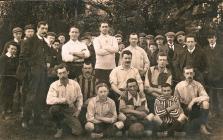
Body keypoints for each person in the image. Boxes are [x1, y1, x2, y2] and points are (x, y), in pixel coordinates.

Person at [19, 21, 49, 128]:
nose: (44, 31)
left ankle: (37, 119)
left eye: (46, 29)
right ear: (37, 28)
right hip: (32, 74)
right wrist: (33, 68)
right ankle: (25, 120)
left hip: (43, 73)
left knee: (40, 96)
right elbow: (23, 57)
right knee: (30, 97)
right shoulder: (29, 41)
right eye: (42, 28)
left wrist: (46, 64)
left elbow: (46, 56)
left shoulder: (45, 42)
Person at [46, 63, 83, 138]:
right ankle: (59, 127)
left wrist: (78, 110)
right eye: (60, 73)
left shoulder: (75, 84)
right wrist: (64, 100)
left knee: (78, 132)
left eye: (64, 73)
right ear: (57, 75)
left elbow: (80, 98)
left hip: (71, 109)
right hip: (59, 108)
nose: (62, 75)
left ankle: (66, 122)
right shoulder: (54, 85)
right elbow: (49, 100)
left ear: (68, 72)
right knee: (54, 109)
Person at [174, 66, 211, 135]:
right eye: (187, 73)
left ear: (194, 74)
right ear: (184, 74)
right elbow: (175, 100)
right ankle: (193, 124)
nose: (189, 75)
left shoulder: (198, 85)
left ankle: (202, 126)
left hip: (195, 108)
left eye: (191, 73)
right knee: (186, 129)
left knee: (206, 103)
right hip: (184, 108)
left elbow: (206, 97)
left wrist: (194, 100)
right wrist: (180, 111)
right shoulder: (179, 85)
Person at [204, 32, 223, 118]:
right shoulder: (205, 49)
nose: (211, 39)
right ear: (208, 40)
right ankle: (214, 112)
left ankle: (221, 111)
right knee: (212, 95)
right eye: (209, 38)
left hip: (220, 76)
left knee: (220, 94)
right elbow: (204, 63)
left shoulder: (221, 48)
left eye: (213, 37)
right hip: (210, 76)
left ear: (216, 38)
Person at [0, 42, 19, 119]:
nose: (13, 50)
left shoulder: (16, 59)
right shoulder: (3, 58)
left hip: (13, 79)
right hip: (4, 79)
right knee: (4, 94)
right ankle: (3, 110)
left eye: (15, 49)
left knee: (11, 94)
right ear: (8, 48)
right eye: (12, 48)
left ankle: (9, 109)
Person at [76, 62, 97, 126]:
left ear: (92, 69)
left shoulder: (96, 80)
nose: (87, 70)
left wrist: (90, 100)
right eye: (85, 68)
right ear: (82, 69)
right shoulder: (77, 80)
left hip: (91, 106)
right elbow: (73, 95)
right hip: (79, 106)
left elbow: (98, 95)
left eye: (89, 68)